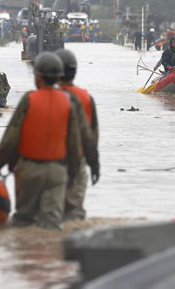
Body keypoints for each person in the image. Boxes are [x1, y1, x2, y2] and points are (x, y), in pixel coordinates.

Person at [0, 52, 84, 230]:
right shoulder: (68, 101)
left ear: (39, 77)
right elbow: (74, 142)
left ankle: (26, 255)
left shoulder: (29, 99)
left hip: (29, 170)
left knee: (24, 221)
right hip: (58, 171)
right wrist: (72, 173)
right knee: (51, 225)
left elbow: (11, 137)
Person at [55, 49, 100, 221]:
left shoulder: (42, 97)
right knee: (74, 214)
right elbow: (92, 135)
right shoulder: (86, 97)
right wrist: (94, 164)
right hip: (77, 161)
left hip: (50, 161)